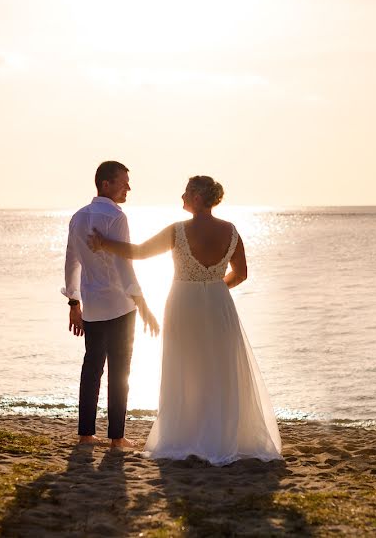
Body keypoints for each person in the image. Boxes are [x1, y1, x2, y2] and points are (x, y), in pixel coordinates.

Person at [88, 175, 282, 465]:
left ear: (197, 198)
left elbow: (140, 252)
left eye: (186, 192)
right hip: (219, 304)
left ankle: (187, 435)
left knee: (185, 367)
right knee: (220, 368)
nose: (181, 196)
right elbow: (241, 274)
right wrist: (213, 286)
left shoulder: (178, 230)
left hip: (183, 304)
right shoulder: (231, 231)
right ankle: (221, 435)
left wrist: (105, 244)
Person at [62, 161, 159, 448]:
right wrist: (142, 305)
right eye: (123, 181)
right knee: (120, 371)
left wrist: (73, 301)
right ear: (105, 184)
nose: (128, 187)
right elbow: (124, 264)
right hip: (119, 306)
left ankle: (86, 435)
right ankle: (117, 438)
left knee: (91, 369)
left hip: (91, 305)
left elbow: (71, 261)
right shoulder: (117, 217)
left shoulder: (78, 217)